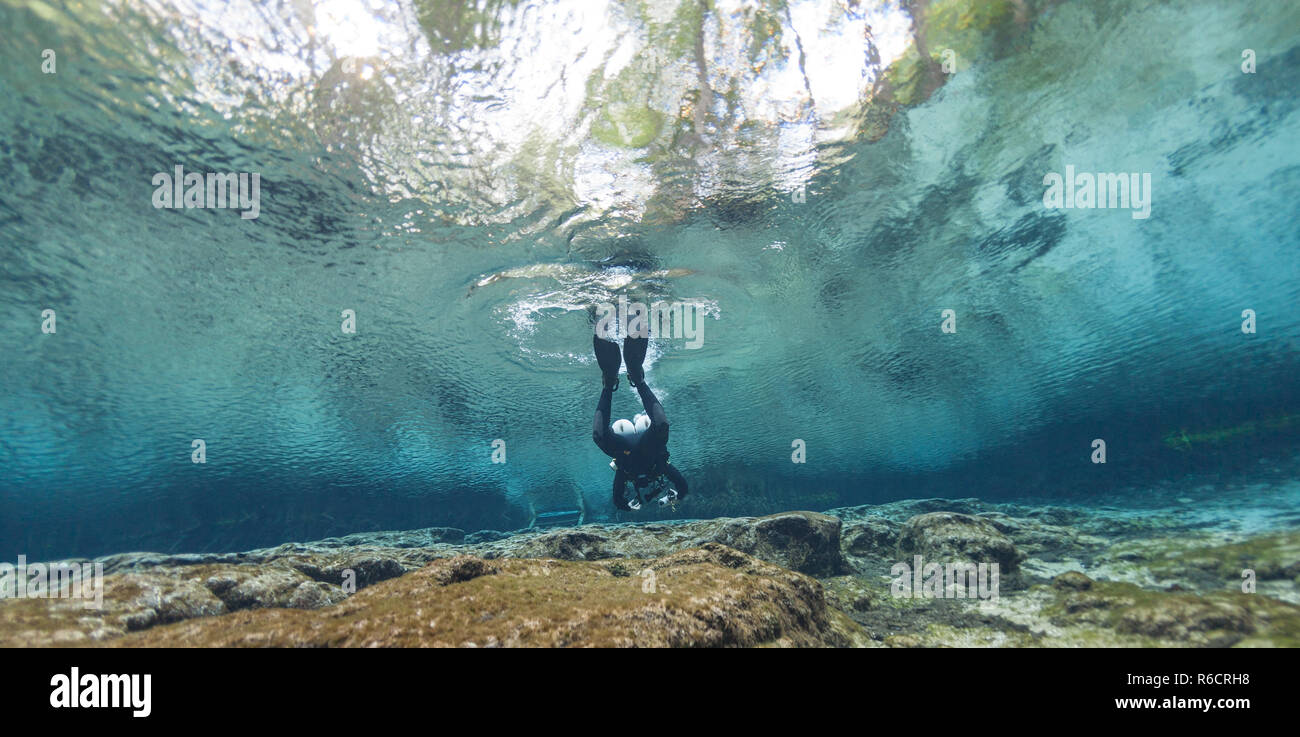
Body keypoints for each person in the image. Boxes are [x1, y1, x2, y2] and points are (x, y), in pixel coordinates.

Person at [592, 330, 689, 510]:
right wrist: (677, 496)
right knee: (661, 426)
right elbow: (682, 485)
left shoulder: (624, 474)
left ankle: (609, 384)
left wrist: (628, 507)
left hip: (624, 449)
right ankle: (638, 379)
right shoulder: (661, 468)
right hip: (648, 445)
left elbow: (618, 500)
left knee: (599, 436)